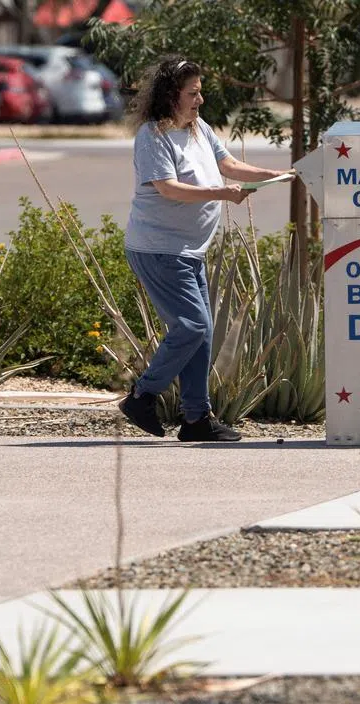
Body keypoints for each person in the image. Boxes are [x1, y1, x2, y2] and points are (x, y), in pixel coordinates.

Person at [118, 56, 289, 442]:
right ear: (170, 95)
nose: (200, 99)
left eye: (199, 91)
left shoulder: (199, 129)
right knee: (192, 326)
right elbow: (167, 187)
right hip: (159, 249)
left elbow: (227, 164)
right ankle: (142, 396)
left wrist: (273, 175)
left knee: (202, 332)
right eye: (192, 93)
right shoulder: (153, 136)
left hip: (189, 249)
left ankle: (196, 419)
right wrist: (222, 195)